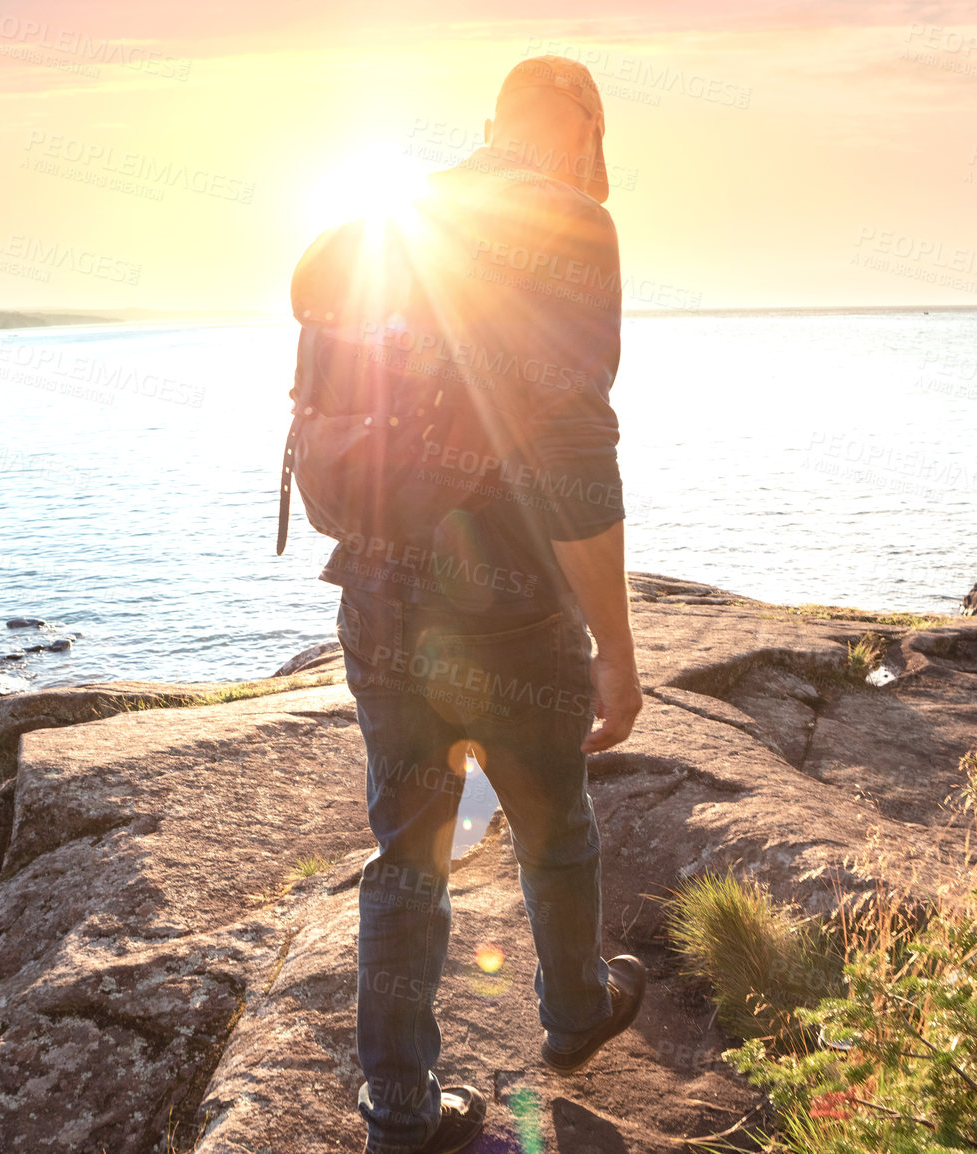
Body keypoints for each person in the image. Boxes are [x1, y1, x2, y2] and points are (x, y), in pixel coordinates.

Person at [299, 55, 645, 1154]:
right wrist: (617, 653)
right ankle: (576, 1006)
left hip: (375, 588)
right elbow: (578, 459)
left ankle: (401, 1107)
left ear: (492, 123)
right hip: (503, 606)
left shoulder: (391, 222)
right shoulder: (570, 225)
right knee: (555, 823)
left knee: (407, 849)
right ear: (585, 137)